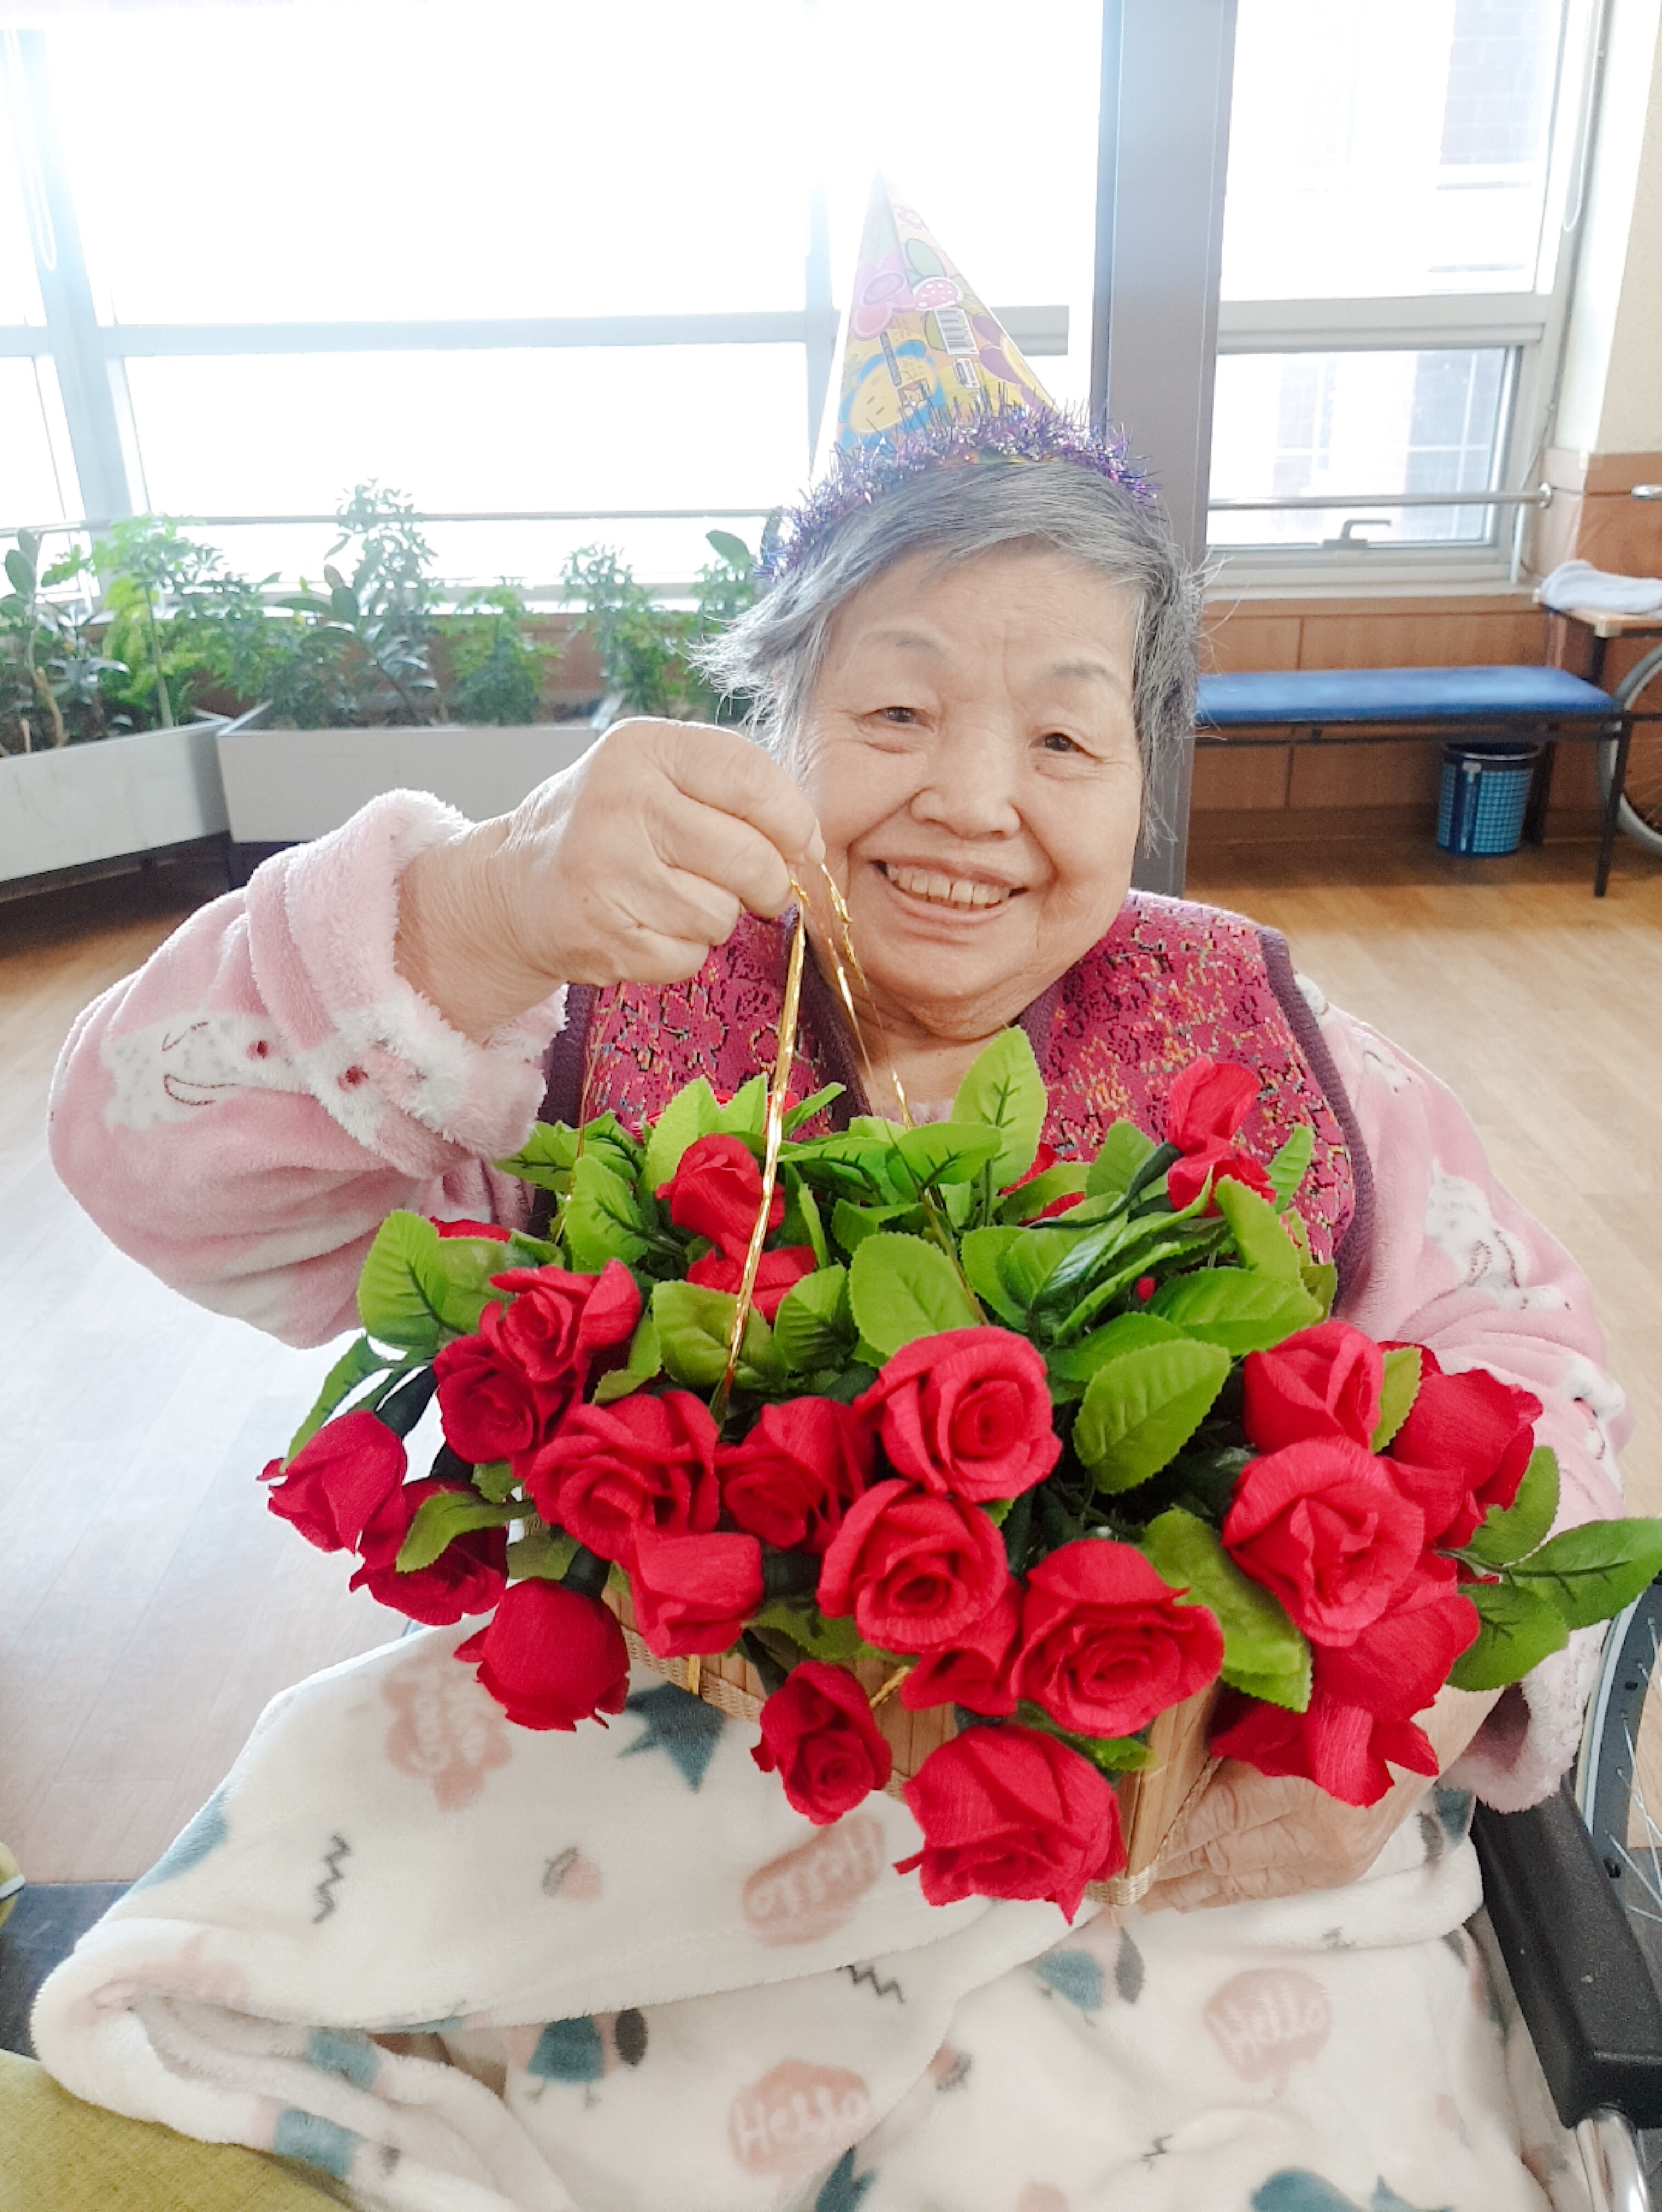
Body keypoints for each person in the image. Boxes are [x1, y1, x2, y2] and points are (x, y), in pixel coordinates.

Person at [42, 189, 1628, 2205]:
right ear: (772, 714)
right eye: (893, 711)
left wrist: (1419, 1687)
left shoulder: (1276, 1043)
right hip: (671, 1876)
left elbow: (1534, 1374)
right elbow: (138, 1152)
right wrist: (479, 908)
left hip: (1164, 1883)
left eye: (1065, 733)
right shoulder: (582, 1012)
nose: (972, 798)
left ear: (1142, 776)